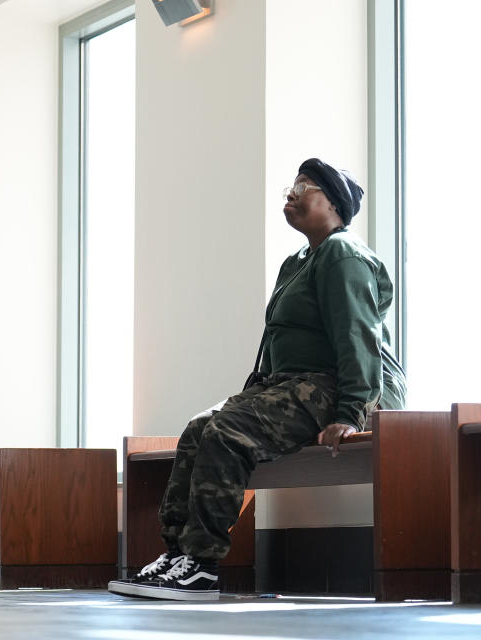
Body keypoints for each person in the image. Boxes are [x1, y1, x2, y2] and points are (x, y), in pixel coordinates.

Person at [108, 158, 407, 601]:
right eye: (294, 183)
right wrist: (254, 392)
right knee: (198, 428)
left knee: (228, 431)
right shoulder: (299, 261)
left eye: (305, 186)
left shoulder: (344, 254)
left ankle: (202, 565)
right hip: (298, 383)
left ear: (332, 203)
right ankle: (180, 555)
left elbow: (356, 337)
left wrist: (352, 411)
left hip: (345, 386)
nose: (292, 190)